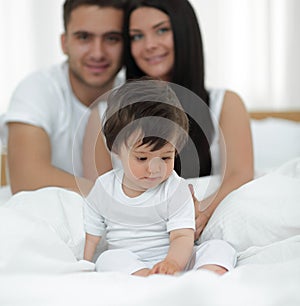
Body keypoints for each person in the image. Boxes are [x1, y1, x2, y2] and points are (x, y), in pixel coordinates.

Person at [122, 0, 254, 239]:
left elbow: (240, 174)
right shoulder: (106, 112)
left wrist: (199, 213)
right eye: (137, 36)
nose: (149, 45)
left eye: (162, 30)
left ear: (185, 33)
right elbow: (98, 189)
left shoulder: (226, 103)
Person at [83, 79, 237, 276]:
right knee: (107, 259)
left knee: (220, 248)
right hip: (130, 260)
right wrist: (85, 262)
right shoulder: (105, 187)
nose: (155, 168)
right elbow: (93, 234)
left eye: (165, 157)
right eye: (142, 158)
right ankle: (146, 277)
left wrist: (171, 262)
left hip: (174, 258)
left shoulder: (175, 188)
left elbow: (182, 235)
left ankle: (204, 277)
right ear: (115, 148)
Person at [3, 0, 127, 196]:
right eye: (84, 37)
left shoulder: (133, 96)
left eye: (112, 38)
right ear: (64, 43)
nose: (98, 53)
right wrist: (114, 202)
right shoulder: (38, 88)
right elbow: (26, 178)